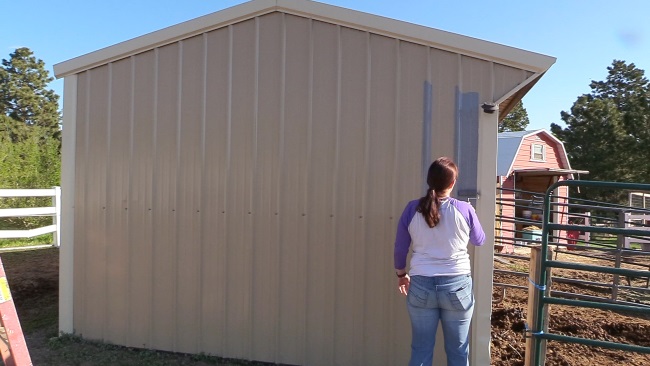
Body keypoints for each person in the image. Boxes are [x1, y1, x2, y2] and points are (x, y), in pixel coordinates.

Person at [394, 157, 486, 366]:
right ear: (452, 183)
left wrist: (401, 275)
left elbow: (400, 248)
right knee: (458, 350)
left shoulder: (411, 209)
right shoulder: (464, 209)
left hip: (421, 285)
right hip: (458, 285)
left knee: (421, 349)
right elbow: (479, 240)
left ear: (429, 180)